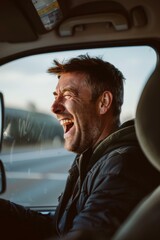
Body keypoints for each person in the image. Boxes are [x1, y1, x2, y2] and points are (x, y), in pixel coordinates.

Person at [0, 54, 160, 240]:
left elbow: (86, 235)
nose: (54, 107)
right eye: (56, 96)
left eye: (68, 95)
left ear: (103, 103)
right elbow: (61, 226)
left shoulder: (122, 166)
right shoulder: (93, 157)